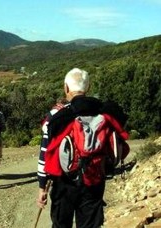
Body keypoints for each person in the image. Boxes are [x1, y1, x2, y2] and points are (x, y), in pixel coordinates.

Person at [36, 68, 128, 228]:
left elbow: (45, 153)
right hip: (94, 179)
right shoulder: (104, 112)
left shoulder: (57, 116)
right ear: (88, 87)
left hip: (64, 183)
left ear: (66, 88)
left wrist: (42, 187)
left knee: (60, 224)